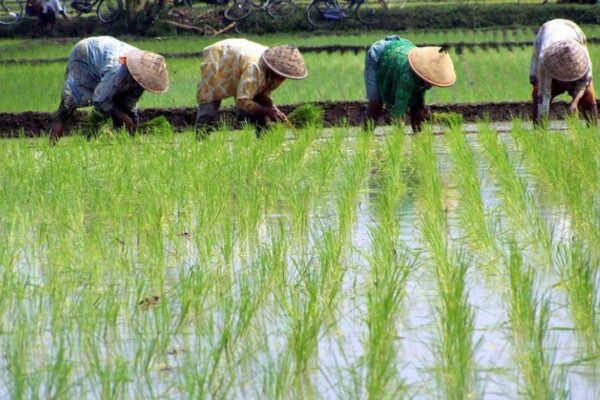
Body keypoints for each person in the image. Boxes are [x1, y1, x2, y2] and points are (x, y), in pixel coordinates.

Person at [50, 36, 169, 143]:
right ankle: (51, 147)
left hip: (106, 57)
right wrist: (122, 116)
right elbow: (99, 100)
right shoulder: (115, 70)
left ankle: (118, 144)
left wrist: (132, 120)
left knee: (121, 109)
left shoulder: (140, 81)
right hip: (85, 56)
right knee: (67, 106)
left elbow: (129, 104)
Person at [195, 38, 308, 132]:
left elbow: (263, 94)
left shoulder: (274, 73)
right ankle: (200, 141)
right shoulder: (255, 68)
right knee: (209, 104)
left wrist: (273, 109)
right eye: (281, 75)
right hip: (220, 57)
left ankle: (263, 139)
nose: (282, 79)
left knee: (258, 107)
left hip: (240, 62)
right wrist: (268, 111)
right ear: (274, 70)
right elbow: (242, 101)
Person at [363, 35, 456, 132]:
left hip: (404, 47)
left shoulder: (426, 75)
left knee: (417, 105)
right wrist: (399, 131)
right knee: (376, 102)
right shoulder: (408, 76)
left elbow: (418, 99)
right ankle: (366, 134)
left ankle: (418, 134)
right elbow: (399, 106)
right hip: (379, 53)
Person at [530, 19, 597, 125]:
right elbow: (544, 94)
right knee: (537, 90)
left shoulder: (584, 60)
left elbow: (583, 84)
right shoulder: (545, 60)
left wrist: (575, 103)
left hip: (573, 30)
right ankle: (539, 131)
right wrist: (542, 121)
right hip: (547, 32)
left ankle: (594, 129)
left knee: (588, 93)